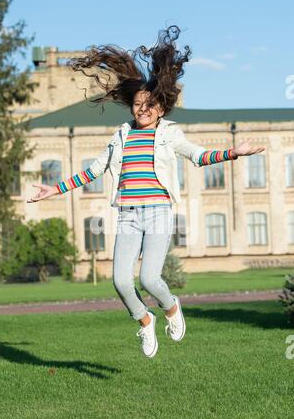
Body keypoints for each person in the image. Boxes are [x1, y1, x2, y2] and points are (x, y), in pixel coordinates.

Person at [27, 25, 265, 358]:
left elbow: (198, 155)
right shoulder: (121, 136)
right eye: (138, 103)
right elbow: (93, 171)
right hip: (128, 214)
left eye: (149, 104)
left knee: (151, 279)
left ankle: (171, 308)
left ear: (161, 108)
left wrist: (233, 152)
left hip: (157, 212)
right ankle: (144, 320)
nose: (143, 108)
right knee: (121, 282)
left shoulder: (169, 133)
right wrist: (54, 189)